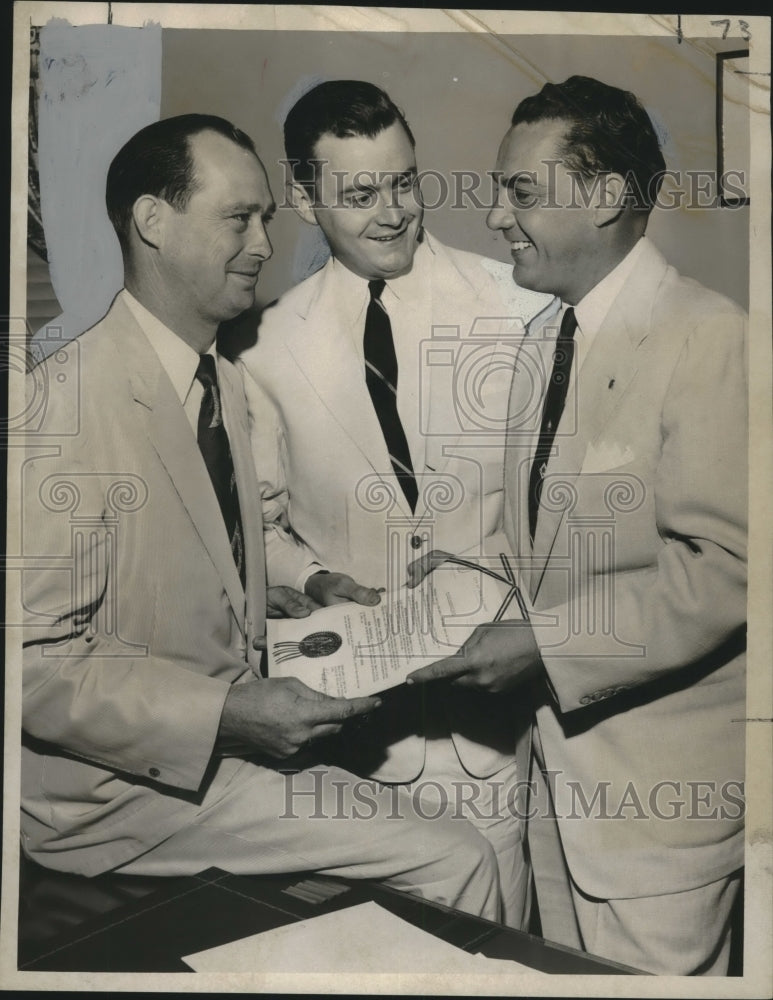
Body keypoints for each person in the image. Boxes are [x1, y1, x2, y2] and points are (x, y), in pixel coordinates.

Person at [19, 113, 503, 922]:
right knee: (456, 858)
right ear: (152, 222)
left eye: (266, 219)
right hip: (116, 797)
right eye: (237, 219)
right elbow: (29, 664)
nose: (263, 245)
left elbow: (189, 561)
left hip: (218, 752)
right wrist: (224, 715)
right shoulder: (59, 406)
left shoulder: (222, 378)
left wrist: (291, 589)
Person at [407, 76, 747, 974]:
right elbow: (552, 548)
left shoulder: (712, 338)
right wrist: (458, 580)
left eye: (519, 191)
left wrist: (545, 646)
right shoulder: (540, 340)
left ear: (604, 196)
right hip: (552, 797)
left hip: (654, 818)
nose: (495, 216)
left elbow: (724, 574)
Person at [237, 80, 555, 929]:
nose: (392, 213)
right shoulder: (262, 344)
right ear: (303, 195)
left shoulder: (519, 305)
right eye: (360, 194)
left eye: (404, 182)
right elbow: (261, 527)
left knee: (497, 954)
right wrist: (314, 578)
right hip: (354, 743)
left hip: (495, 730)